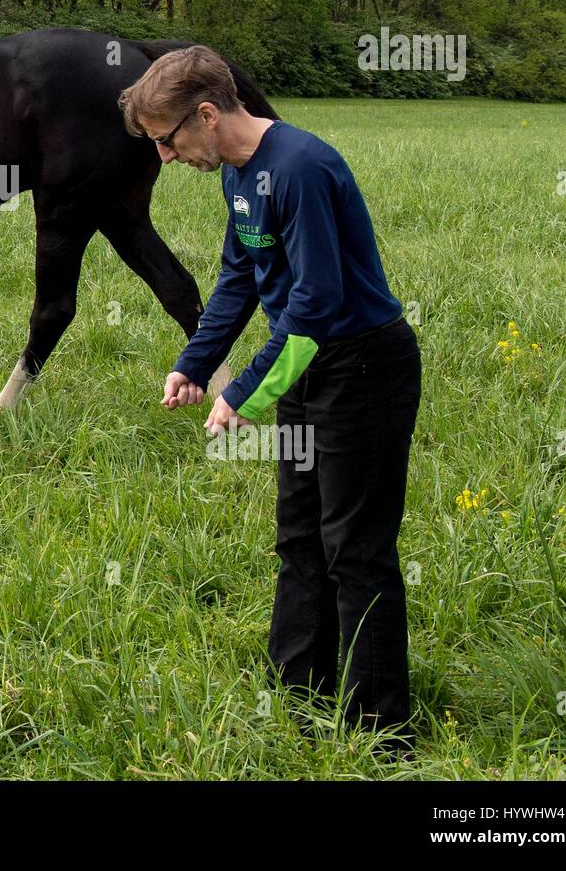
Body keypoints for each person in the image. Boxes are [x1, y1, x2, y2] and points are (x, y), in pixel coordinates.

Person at [119, 45, 422, 753]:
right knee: (299, 536)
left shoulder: (302, 168)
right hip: (306, 362)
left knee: (357, 548)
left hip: (361, 366)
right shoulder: (239, 177)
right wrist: (194, 365)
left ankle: (381, 731)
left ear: (207, 113)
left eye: (167, 140)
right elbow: (239, 279)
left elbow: (317, 300)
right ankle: (297, 697)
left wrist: (246, 392)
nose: (164, 158)